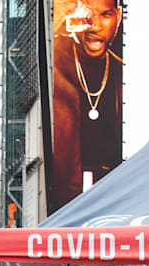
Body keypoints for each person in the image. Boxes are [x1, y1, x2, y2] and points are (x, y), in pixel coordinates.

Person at [50, 0, 123, 209]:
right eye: (88, 16)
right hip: (62, 204)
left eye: (105, 15)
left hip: (110, 202)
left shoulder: (120, 70)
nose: (95, 26)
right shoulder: (55, 57)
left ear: (117, 17)